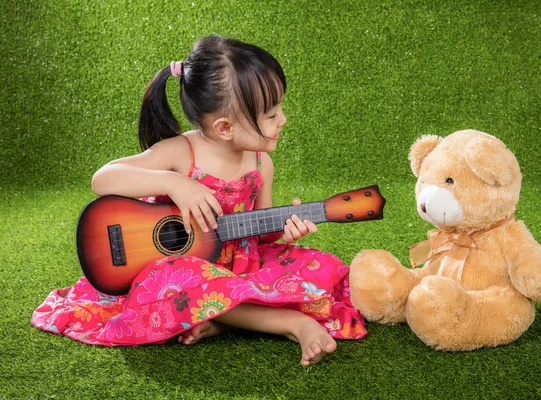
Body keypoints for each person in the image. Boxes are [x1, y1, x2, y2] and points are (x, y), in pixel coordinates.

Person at [32, 35, 366, 366]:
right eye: (271, 114)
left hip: (238, 265)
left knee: (321, 267)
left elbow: (260, 233)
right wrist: (174, 182)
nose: (283, 119)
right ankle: (292, 325)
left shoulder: (261, 163)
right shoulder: (181, 153)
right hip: (178, 271)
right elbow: (102, 179)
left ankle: (220, 319)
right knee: (177, 281)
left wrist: (284, 229)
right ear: (225, 128)